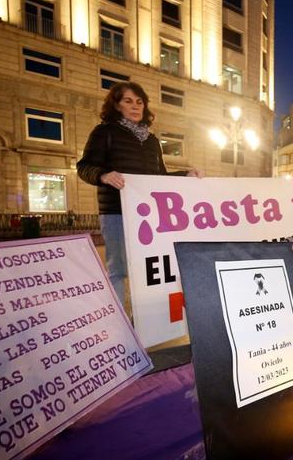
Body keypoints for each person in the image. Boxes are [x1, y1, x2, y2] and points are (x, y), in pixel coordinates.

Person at [77, 82, 201, 305]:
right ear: (116, 105)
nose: (135, 106)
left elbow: (159, 177)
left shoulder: (152, 141)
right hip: (116, 212)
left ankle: (144, 320)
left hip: (148, 214)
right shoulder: (104, 132)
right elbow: (84, 167)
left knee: (145, 268)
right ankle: (120, 321)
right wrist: (103, 176)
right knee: (118, 269)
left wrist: (185, 175)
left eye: (139, 102)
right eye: (128, 101)